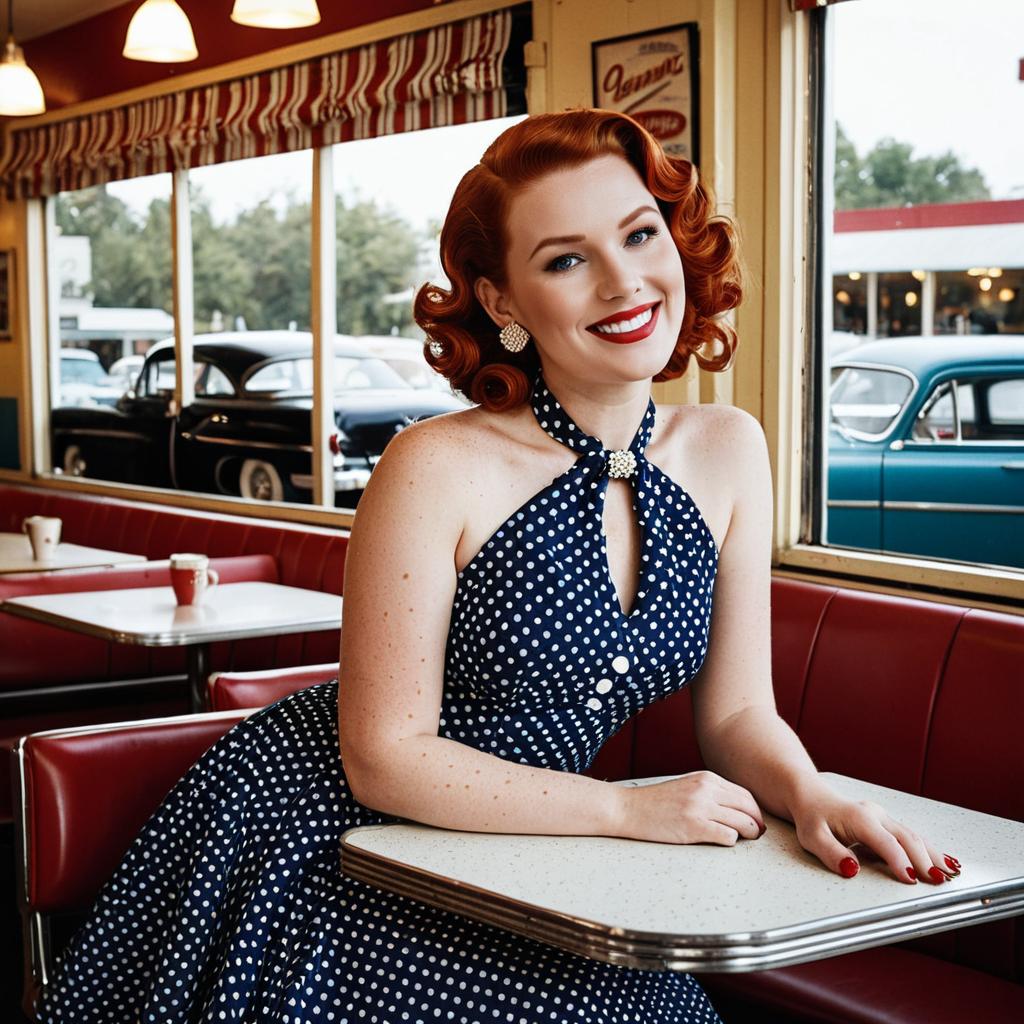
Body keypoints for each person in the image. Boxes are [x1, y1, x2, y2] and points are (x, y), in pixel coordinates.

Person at [35, 109, 960, 1024]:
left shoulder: (729, 449)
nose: (621, 280)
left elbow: (737, 715)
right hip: (329, 839)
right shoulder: (433, 463)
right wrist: (628, 813)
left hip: (539, 849)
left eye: (640, 234)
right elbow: (384, 760)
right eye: (566, 259)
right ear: (506, 302)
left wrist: (808, 795)